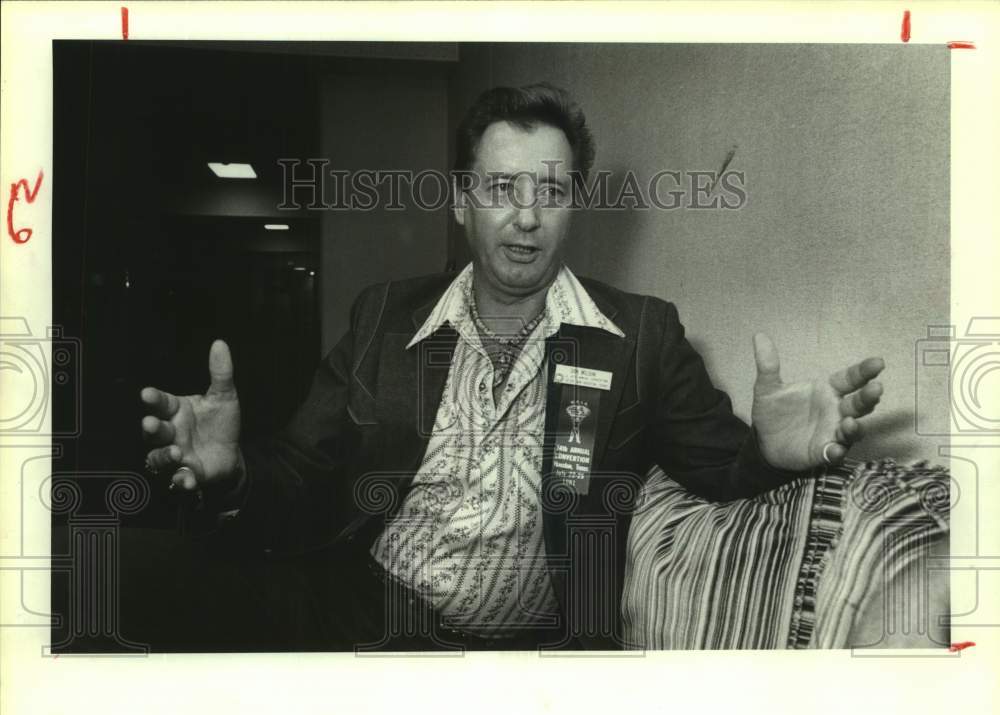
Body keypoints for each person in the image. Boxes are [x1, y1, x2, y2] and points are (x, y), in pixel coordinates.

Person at [140, 83, 885, 651]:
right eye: (501, 189)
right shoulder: (384, 317)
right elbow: (301, 468)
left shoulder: (640, 336)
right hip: (363, 608)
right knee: (159, 579)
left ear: (572, 207)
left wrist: (770, 450)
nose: (526, 217)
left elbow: (721, 468)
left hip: (529, 655)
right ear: (463, 201)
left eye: (551, 192)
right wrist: (233, 468)